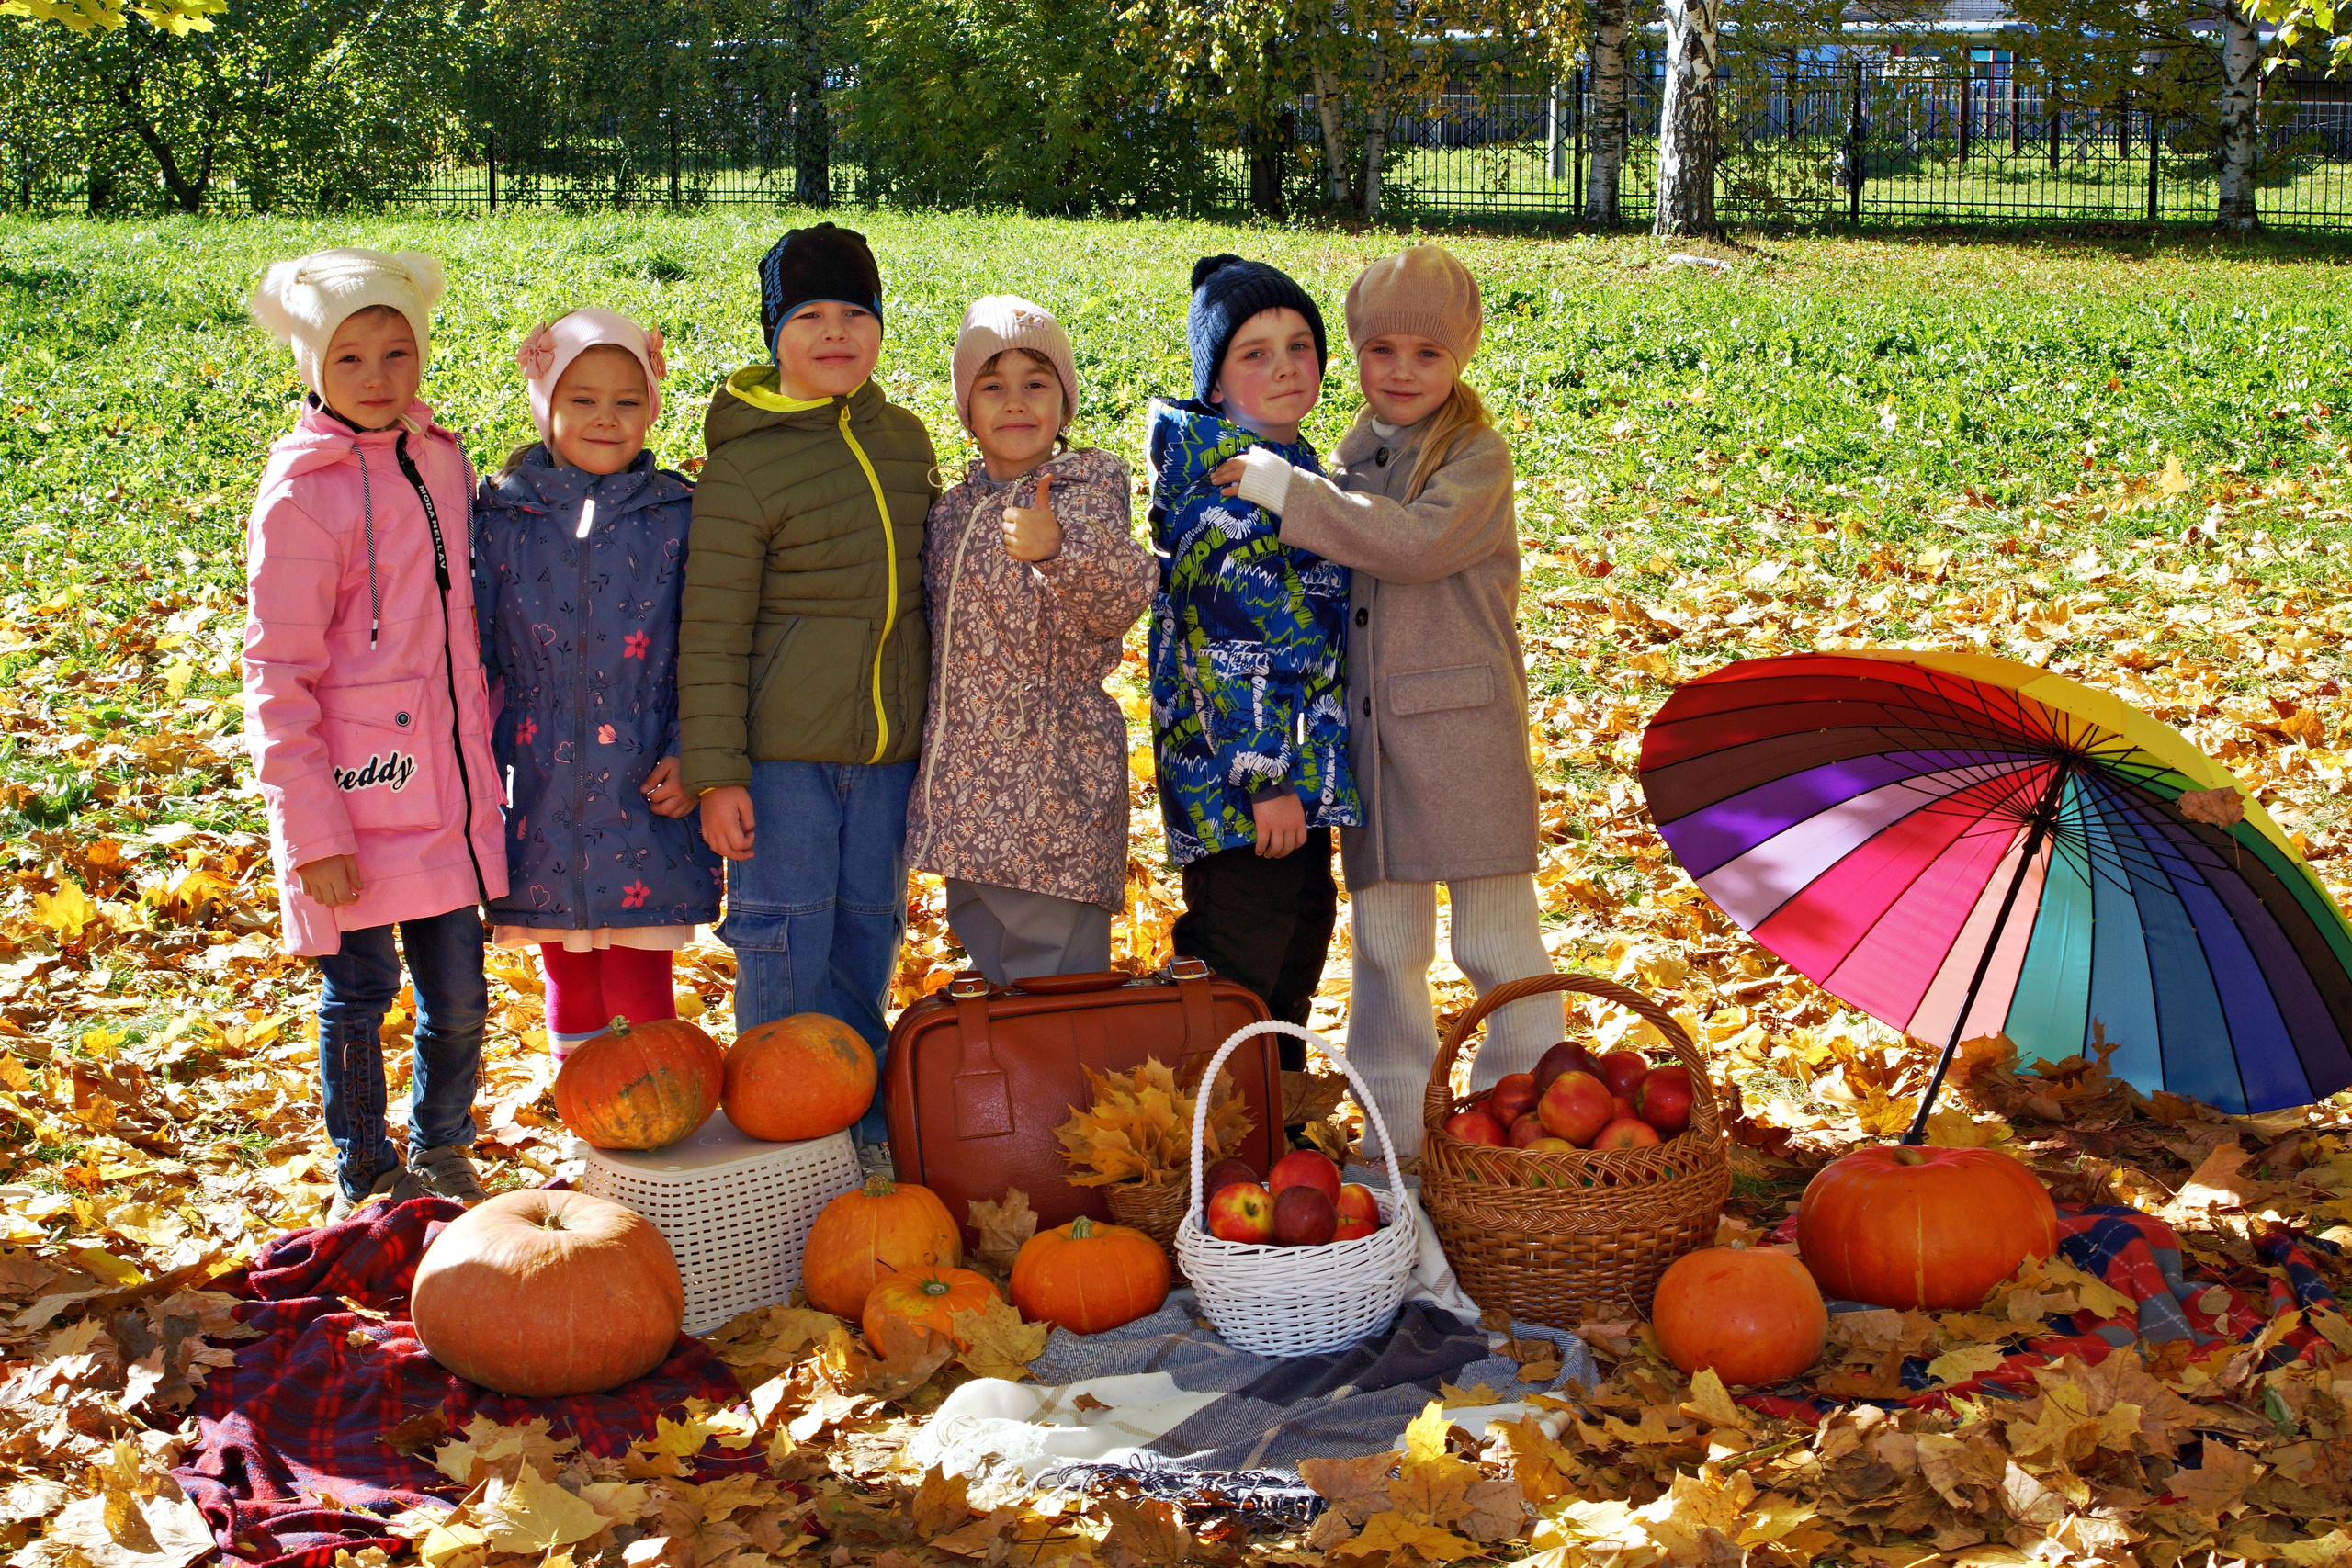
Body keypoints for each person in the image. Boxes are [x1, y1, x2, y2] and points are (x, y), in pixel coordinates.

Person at [1209, 244, 1561, 1157]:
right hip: (1373, 745)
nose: (1401, 372)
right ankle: (1395, 1137)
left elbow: (1410, 544)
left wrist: (1288, 491)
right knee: (1386, 949)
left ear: (1460, 358)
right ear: (1356, 355)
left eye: (1427, 353)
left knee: (1496, 941)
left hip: (1464, 739)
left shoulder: (1475, 458)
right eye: (1381, 351)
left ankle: (1523, 1126)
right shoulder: (1352, 455)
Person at [243, 247, 504, 1219]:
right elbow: (277, 673)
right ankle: (365, 1167)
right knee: (359, 995)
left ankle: (442, 1143)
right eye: (350, 358)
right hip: (353, 801)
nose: (378, 376)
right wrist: (311, 833)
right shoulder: (301, 493)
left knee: (460, 995)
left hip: (444, 789)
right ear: (313, 366)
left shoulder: (441, 459)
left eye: (398, 353)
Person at [677, 223, 936, 1147]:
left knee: (869, 935)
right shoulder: (744, 464)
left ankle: (862, 1135)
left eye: (855, 314)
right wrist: (716, 773)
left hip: (886, 758)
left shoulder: (904, 442)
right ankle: (784, 1143)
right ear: (774, 333)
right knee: (785, 942)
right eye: (810, 315)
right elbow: (711, 632)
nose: (835, 332)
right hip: (781, 763)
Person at [474, 309, 721, 1064]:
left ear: (652, 408)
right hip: (539, 781)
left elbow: (708, 647)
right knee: (567, 965)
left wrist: (693, 750)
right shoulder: (501, 516)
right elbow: (471, 653)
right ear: (544, 404)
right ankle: (588, 1111)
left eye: (626, 400)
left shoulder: (680, 515)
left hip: (647, 780)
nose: (606, 417)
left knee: (641, 966)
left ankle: (654, 1101)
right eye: (582, 399)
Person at [1148, 254, 1360, 1069]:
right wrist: (1265, 778)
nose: (1284, 367)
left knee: (1298, 941)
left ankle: (1277, 1112)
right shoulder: (1229, 494)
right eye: (1255, 353)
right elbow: (1231, 650)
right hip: (1239, 788)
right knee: (1241, 962)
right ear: (1214, 384)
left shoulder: (1291, 471)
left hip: (1291, 777)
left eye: (1299, 345)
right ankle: (1210, 1116)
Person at [904, 298, 1156, 984]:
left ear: (1064, 403)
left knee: (1057, 996)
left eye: (1036, 382)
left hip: (1053, 799)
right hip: (968, 810)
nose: (1015, 401)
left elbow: (1125, 593)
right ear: (967, 409)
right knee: (1001, 991)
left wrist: (1060, 548)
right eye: (993, 385)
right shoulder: (951, 512)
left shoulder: (1081, 492)